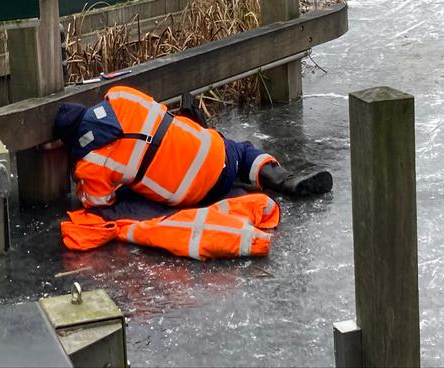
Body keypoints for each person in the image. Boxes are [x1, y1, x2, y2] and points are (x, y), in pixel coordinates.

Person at [53, 86, 333, 260]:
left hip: (192, 193)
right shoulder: (120, 95)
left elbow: (98, 203)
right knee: (240, 151)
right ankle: (279, 177)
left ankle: (244, 184)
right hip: (212, 150)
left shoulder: (89, 166)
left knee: (126, 196)